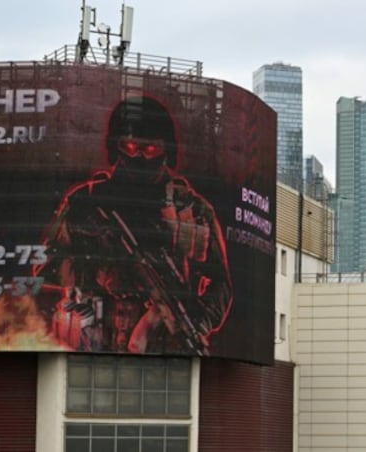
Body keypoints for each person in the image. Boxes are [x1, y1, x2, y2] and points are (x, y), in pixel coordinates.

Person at [35, 95, 232, 355]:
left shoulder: (192, 209)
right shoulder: (86, 201)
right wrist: (101, 276)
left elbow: (221, 284)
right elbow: (46, 268)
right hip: (94, 335)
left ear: (165, 148)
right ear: (116, 144)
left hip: (162, 344)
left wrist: (194, 323)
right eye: (129, 145)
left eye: (150, 147)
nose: (138, 154)